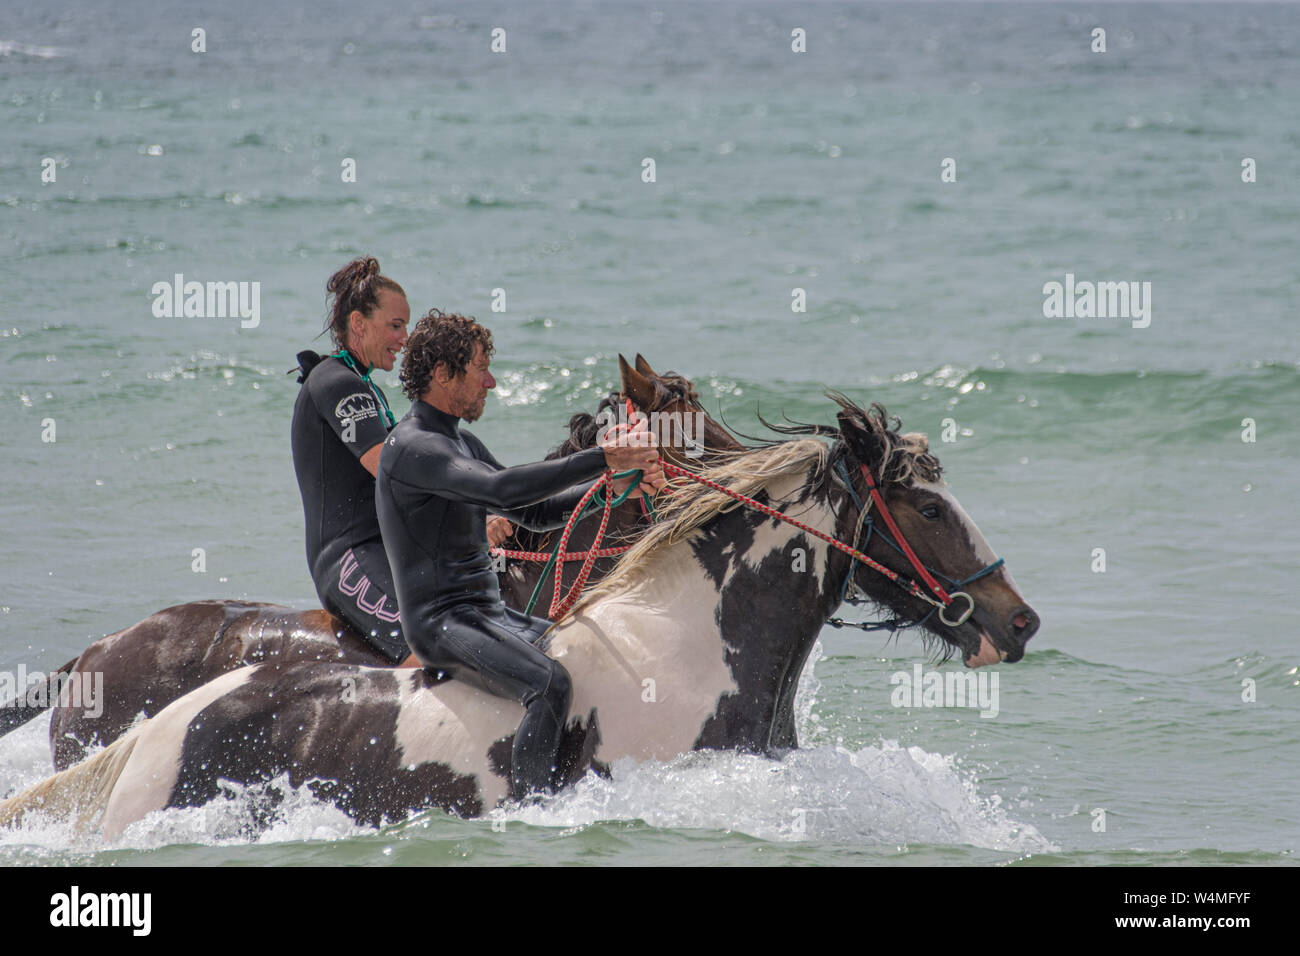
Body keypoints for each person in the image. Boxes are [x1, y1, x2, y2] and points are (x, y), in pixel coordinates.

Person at [376, 309, 665, 799]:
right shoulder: (413, 447)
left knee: (589, 660)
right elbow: (503, 490)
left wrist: (615, 488)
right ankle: (533, 811)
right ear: (443, 374)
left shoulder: (459, 441)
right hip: (442, 624)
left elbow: (534, 513)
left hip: (488, 614)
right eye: (479, 368)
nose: (490, 381)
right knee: (549, 684)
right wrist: (601, 456)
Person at [290, 257, 413, 662]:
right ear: (359, 324)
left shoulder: (360, 384)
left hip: (383, 551)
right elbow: (388, 468)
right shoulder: (336, 382)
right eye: (395, 326)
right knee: (428, 649)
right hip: (349, 560)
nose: (405, 338)